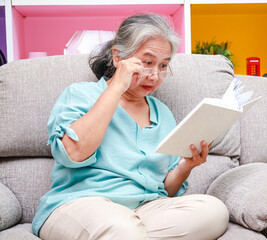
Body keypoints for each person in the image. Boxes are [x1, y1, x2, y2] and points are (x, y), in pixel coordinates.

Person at [32, 13, 229, 240]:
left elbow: (165, 189)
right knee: (122, 229)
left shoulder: (162, 114)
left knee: (213, 211)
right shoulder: (80, 95)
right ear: (118, 57)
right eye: (147, 63)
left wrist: (186, 165)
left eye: (163, 65)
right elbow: (74, 154)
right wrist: (117, 86)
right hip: (82, 203)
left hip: (145, 210)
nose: (154, 75)